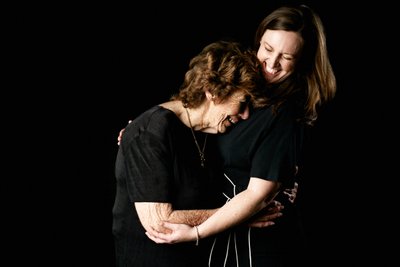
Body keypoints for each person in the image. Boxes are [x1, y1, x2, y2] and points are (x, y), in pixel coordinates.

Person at [144, 4, 337, 266]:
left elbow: (258, 195)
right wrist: (146, 123)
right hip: (223, 232)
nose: (272, 63)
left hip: (256, 241)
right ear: (258, 41)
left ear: (301, 61)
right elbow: (196, 106)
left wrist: (196, 233)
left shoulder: (284, 113)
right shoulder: (245, 84)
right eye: (268, 49)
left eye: (287, 57)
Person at [113, 40, 271, 267]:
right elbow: (160, 222)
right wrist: (240, 216)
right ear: (214, 92)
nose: (245, 115)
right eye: (242, 102)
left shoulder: (209, 133)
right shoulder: (151, 131)